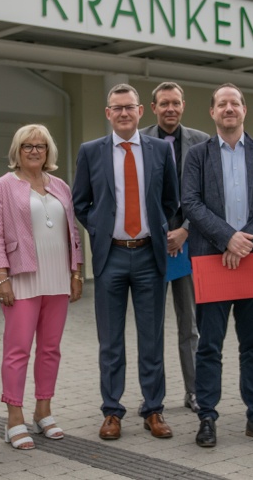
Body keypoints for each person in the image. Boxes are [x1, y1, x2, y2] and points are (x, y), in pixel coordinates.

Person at [181, 83, 253, 448]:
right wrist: (227, 238)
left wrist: (244, 242)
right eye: (222, 103)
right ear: (212, 112)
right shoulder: (197, 155)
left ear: (244, 110)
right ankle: (207, 417)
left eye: (235, 103)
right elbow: (191, 203)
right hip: (212, 261)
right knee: (209, 345)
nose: (229, 108)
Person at [72, 83, 179, 440]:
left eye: (129, 107)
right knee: (110, 341)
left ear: (140, 111)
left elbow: (170, 200)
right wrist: (101, 230)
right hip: (111, 256)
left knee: (152, 338)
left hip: (150, 254)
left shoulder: (160, 150)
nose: (123, 113)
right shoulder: (91, 151)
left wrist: (156, 228)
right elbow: (80, 202)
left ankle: (153, 409)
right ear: (108, 113)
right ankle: (112, 411)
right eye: (116, 108)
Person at [0, 124, 84, 450]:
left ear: (48, 151)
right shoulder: (2, 187)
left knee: (50, 348)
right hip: (22, 278)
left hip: (57, 278)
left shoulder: (60, 186)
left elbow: (73, 233)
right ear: (17, 150)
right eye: (27, 146)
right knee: (17, 350)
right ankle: (14, 417)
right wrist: (1, 277)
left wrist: (76, 273)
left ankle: (44, 411)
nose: (34, 151)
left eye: (40, 146)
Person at [140, 81, 208, 413]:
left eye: (176, 103)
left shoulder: (202, 142)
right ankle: (152, 396)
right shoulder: (138, 140)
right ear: (153, 107)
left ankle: (194, 391)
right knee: (150, 327)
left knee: (189, 324)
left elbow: (209, 194)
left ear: (183, 106)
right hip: (149, 246)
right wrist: (159, 233)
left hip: (188, 246)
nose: (170, 109)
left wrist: (185, 230)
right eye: (164, 103)